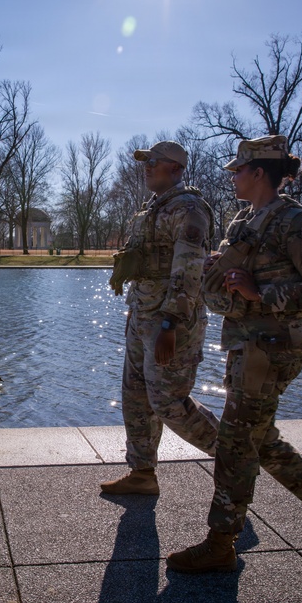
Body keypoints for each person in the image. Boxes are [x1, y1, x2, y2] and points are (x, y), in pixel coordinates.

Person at [166, 135, 302, 574]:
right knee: (261, 441)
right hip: (246, 344)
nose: (233, 177)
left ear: (260, 173)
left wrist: (260, 292)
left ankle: (221, 542)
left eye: (238, 170)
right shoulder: (246, 220)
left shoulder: (296, 223)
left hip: (273, 349)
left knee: (236, 447)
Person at [101, 140, 220, 497]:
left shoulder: (189, 209)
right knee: (135, 395)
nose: (147, 167)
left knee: (168, 401)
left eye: (154, 162)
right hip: (142, 316)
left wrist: (170, 323)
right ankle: (142, 473)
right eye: (145, 162)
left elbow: (189, 271)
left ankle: (234, 457)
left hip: (171, 323)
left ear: (177, 169)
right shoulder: (151, 208)